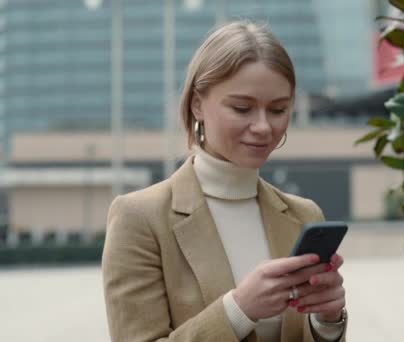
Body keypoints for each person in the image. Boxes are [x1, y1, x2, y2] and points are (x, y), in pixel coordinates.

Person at [101, 20, 347, 342]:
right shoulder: (139, 218)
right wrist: (238, 309)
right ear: (197, 104)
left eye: (278, 109)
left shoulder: (305, 216)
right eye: (242, 108)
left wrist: (327, 322)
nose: (263, 126)